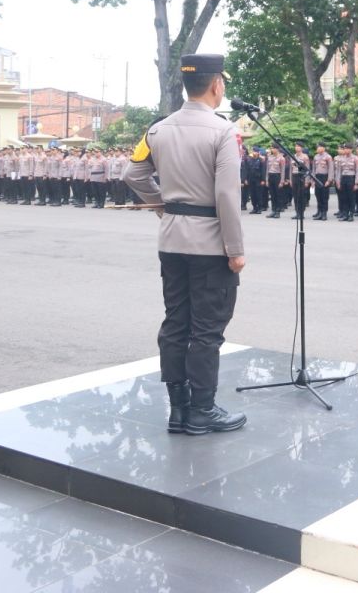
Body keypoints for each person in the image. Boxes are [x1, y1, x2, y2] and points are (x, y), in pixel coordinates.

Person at [124, 53, 247, 435]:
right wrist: (235, 248)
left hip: (172, 241)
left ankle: (179, 410)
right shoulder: (222, 131)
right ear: (217, 85)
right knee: (207, 330)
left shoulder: (158, 129)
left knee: (176, 323)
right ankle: (203, 410)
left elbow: (134, 173)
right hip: (210, 244)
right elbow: (227, 196)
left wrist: (166, 208)